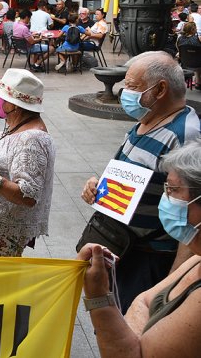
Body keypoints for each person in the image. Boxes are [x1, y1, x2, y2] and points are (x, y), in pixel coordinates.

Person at [81, 51, 200, 311]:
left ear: (160, 90)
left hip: (150, 259)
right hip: (121, 246)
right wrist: (98, 183)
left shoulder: (184, 136)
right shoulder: (145, 121)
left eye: (133, 87)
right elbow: (133, 173)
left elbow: (191, 215)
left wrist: (171, 286)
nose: (126, 93)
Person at [77, 140, 201, 357]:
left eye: (173, 189)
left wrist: (98, 295)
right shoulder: (196, 261)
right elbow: (142, 300)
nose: (166, 198)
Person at [0, 68, 56, 256]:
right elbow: (11, 157)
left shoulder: (32, 140)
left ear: (16, 105)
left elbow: (28, 196)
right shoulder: (18, 126)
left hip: (1, 234)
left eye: (3, 98)